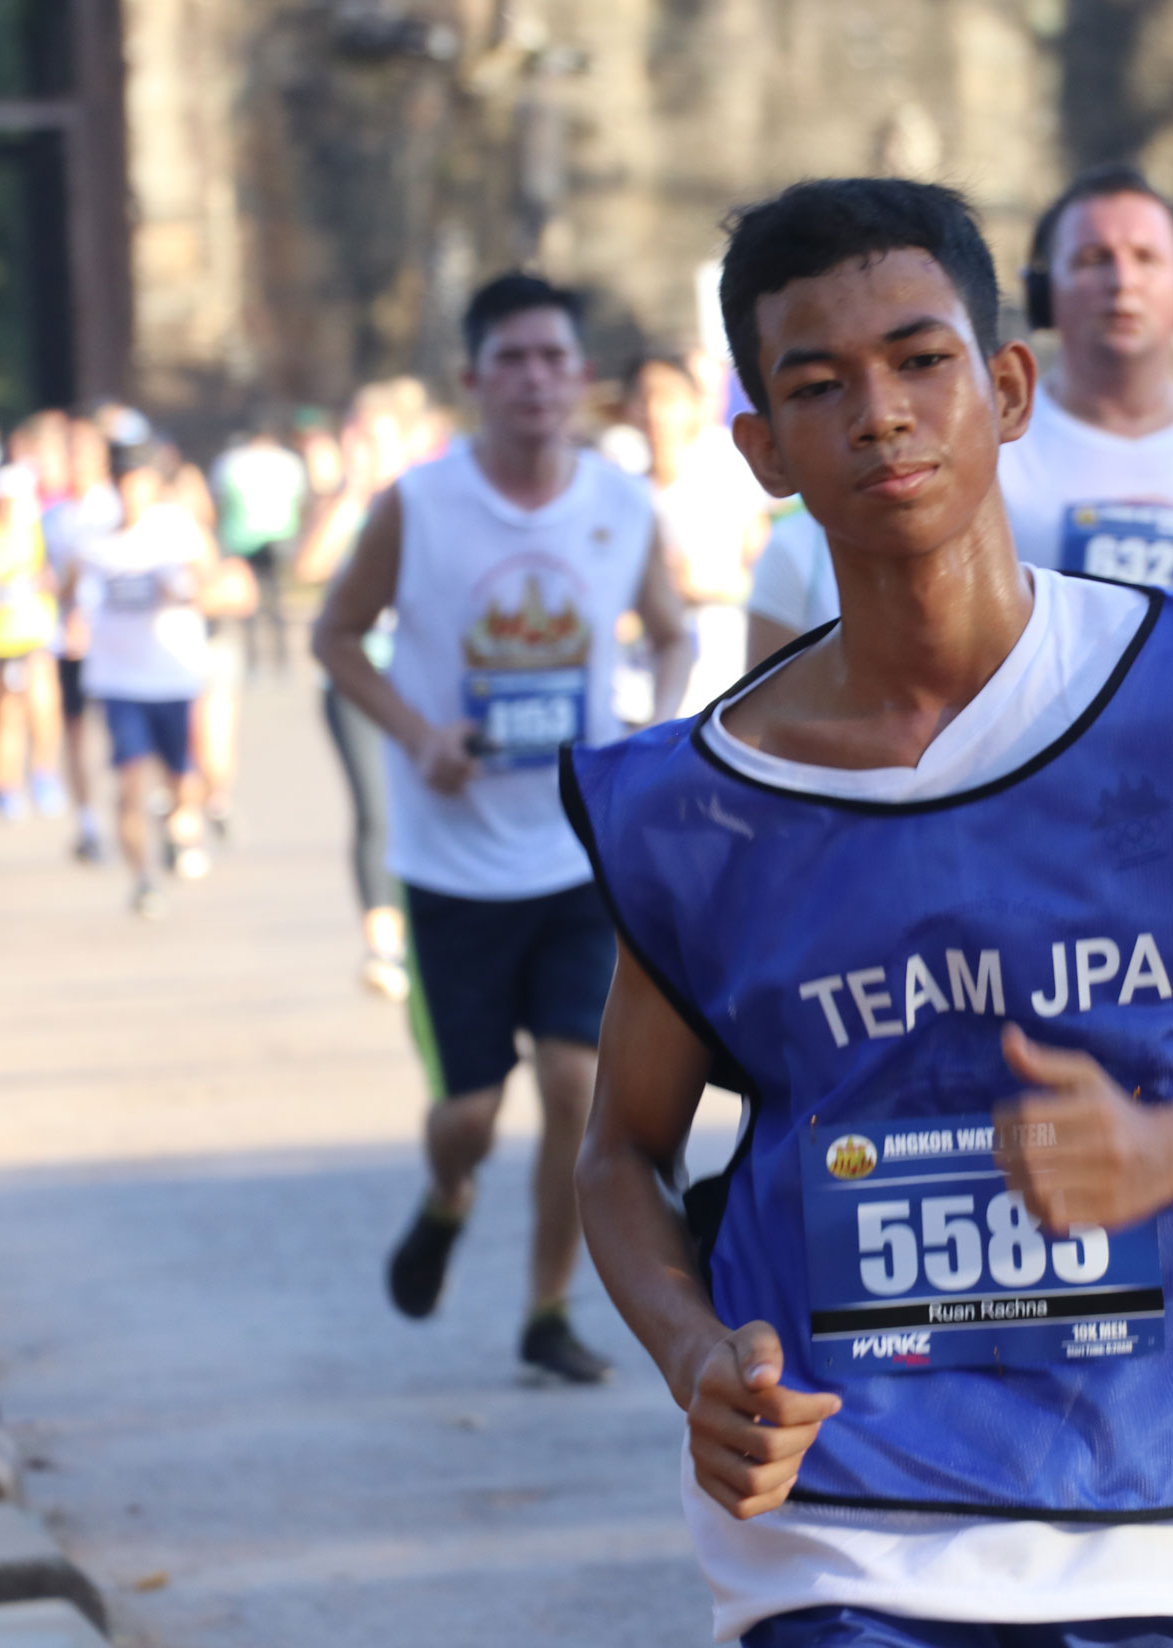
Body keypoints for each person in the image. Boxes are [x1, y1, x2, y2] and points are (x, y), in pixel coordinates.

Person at [566, 178, 1173, 1648]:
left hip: (1158, 1484)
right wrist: (700, 1359)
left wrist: (1165, 1151)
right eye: (818, 385)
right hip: (846, 1517)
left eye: (920, 360)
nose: (880, 414)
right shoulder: (701, 802)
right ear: (762, 449)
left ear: (1005, 386)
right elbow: (620, 1152)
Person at [314, 272, 693, 1384]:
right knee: (471, 1114)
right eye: (512, 359)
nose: (535, 378)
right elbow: (338, 636)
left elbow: (667, 631)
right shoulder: (420, 506)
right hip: (450, 864)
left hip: (573, 852)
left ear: (583, 380)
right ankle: (445, 1195)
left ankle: (545, 1308)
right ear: (474, 378)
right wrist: (418, 731)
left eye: (554, 358)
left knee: (578, 1091)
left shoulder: (621, 505)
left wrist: (650, 728)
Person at [745, 165, 1173, 668]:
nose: (1121, 282)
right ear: (1040, 291)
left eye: (1146, 258)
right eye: (1092, 258)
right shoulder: (964, 441)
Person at [68, 436, 253, 916]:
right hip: (118, 680)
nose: (133, 494)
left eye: (141, 483)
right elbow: (69, 588)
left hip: (173, 674)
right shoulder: (90, 531)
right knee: (129, 778)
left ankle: (180, 825)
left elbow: (212, 585)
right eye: (125, 483)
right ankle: (143, 879)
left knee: (182, 778)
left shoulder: (176, 529)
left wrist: (192, 589)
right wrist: (71, 616)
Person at [296, 400, 413, 1002]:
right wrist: (351, 495)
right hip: (355, 681)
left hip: (423, 684)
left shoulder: (428, 503)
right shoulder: (336, 507)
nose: (368, 449)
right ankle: (382, 944)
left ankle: (422, 928)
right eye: (359, 438)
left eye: (380, 440)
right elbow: (309, 565)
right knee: (374, 808)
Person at [624, 352, 770, 710]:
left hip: (721, 685)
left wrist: (705, 586)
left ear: (693, 406)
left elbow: (764, 573)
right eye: (644, 398)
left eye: (669, 398)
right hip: (640, 689)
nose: (656, 412)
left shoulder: (725, 479)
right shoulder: (622, 496)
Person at [42, 415, 123, 861]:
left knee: (121, 732)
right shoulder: (53, 517)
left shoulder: (116, 507)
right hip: (68, 640)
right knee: (75, 733)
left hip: (115, 638)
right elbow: (46, 579)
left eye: (83, 453)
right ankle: (88, 823)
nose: (74, 462)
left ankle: (138, 804)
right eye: (68, 453)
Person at [0, 464, 65, 819]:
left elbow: (56, 574)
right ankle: (6, 787)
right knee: (4, 719)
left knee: (43, 709)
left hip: (34, 636)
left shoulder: (40, 530)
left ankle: (44, 774)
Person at [210, 417, 307, 676]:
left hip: (242, 538)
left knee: (249, 604)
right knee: (275, 601)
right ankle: (282, 660)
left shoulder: (231, 461)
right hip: (279, 535)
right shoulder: (287, 461)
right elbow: (300, 496)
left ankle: (255, 662)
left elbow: (219, 498)